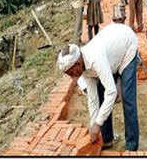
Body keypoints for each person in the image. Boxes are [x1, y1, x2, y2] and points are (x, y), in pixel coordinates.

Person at [57, 23, 140, 151]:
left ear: (77, 63)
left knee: (127, 99)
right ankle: (106, 139)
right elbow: (93, 98)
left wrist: (98, 123)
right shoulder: (83, 68)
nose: (73, 77)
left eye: (71, 73)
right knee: (100, 96)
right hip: (112, 54)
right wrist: (93, 125)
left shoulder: (95, 59)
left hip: (127, 45)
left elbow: (111, 92)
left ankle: (132, 146)